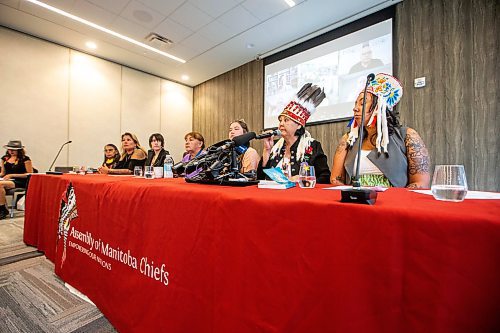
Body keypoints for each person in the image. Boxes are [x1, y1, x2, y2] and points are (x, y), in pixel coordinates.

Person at [330, 73, 430, 189]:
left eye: (362, 103)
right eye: (355, 104)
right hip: (356, 201)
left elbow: (420, 183)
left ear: (380, 106)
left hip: (392, 203)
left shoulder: (407, 135)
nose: (355, 108)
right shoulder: (348, 139)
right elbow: (335, 180)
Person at [257, 83, 331, 184]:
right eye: (280, 120)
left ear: (299, 125)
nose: (281, 124)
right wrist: (267, 151)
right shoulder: (275, 147)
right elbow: (260, 178)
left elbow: (325, 178)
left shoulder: (312, 146)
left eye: (286, 120)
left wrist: (303, 180)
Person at [0, 140, 34, 219]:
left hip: (20, 180)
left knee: (0, 184)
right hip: (8, 180)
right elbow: (3, 172)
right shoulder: (4, 158)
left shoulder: (25, 159)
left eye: (13, 150)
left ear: (19, 150)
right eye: (9, 149)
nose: (10, 151)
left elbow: (30, 174)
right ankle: (3, 208)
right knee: (1, 185)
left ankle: (2, 209)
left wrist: (12, 175)